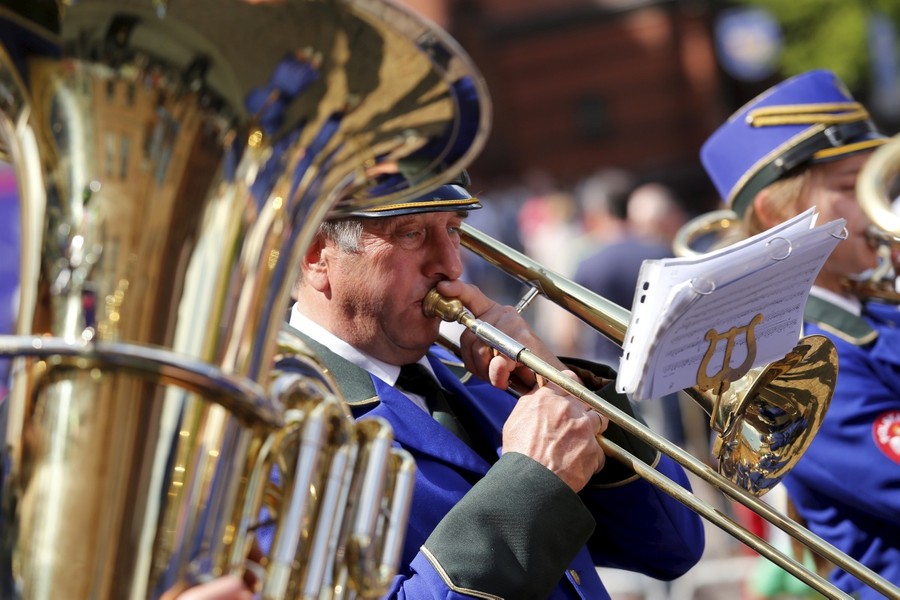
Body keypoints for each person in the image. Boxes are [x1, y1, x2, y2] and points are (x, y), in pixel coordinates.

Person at [700, 69, 900, 599]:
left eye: (877, 183)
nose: (878, 204)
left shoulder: (879, 309)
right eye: (850, 188)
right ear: (779, 213)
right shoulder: (802, 361)